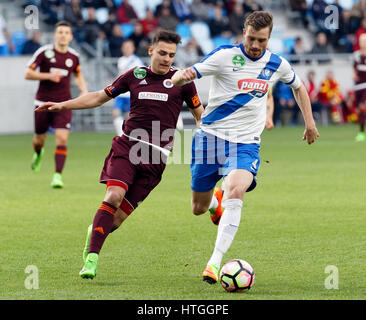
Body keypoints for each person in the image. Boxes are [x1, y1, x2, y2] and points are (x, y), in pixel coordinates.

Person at [35, 29, 204, 279]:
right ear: (150, 50)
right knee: (113, 196)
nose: (167, 59)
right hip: (128, 147)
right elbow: (98, 97)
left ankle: (94, 232)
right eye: (162, 53)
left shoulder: (183, 82)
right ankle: (91, 260)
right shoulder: (134, 76)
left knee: (115, 220)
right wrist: (64, 104)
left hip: (157, 159)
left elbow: (202, 117)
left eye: (171, 55)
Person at [172, 11, 319, 284]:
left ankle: (214, 263)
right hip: (210, 138)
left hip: (245, 143)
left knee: (237, 188)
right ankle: (215, 203)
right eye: (251, 38)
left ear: (269, 38)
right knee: (198, 207)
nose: (255, 45)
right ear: (244, 33)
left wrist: (309, 123)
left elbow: (299, 88)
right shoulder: (224, 55)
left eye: (261, 40)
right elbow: (194, 71)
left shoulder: (277, 64)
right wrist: (181, 76)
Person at [25, 21, 88, 188]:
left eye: (66, 32)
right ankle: (38, 153)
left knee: (62, 138)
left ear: (71, 36)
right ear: (55, 35)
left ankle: (57, 176)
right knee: (39, 139)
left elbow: (78, 75)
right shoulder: (44, 52)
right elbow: (28, 73)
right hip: (42, 103)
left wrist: (84, 90)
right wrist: (48, 76)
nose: (63, 35)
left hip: (63, 104)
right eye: (60, 32)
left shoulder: (74, 56)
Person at [113, 39, 144, 136]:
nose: (126, 49)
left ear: (133, 48)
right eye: (125, 47)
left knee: (128, 116)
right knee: (115, 113)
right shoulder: (121, 60)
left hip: (130, 93)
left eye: (128, 47)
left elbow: (141, 76)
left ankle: (127, 134)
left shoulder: (137, 61)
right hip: (120, 93)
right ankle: (120, 134)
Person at [353, 33, 366, 141]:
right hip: (358, 87)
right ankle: (361, 132)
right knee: (359, 110)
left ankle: (362, 133)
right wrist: (353, 74)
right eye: (361, 40)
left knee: (363, 106)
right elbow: (354, 68)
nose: (363, 43)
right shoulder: (356, 55)